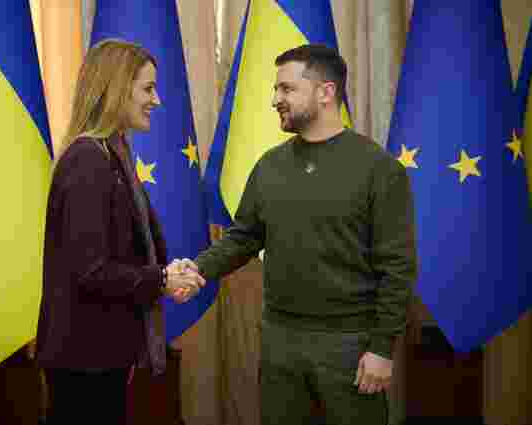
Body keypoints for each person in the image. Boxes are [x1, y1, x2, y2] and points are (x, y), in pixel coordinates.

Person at [178, 43, 417, 424]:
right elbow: (244, 238)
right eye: (276, 89)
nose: (276, 99)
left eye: (287, 88)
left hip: (350, 345)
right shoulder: (270, 166)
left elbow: (398, 267)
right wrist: (199, 269)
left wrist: (382, 349)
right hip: (280, 340)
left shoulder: (378, 169)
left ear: (326, 92)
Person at [35, 39, 205, 425]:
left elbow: (126, 250)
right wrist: (161, 278)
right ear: (116, 89)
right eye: (148, 88)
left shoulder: (113, 156)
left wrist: (167, 273)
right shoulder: (87, 161)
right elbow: (91, 270)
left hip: (103, 352)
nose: (157, 100)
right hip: (83, 359)